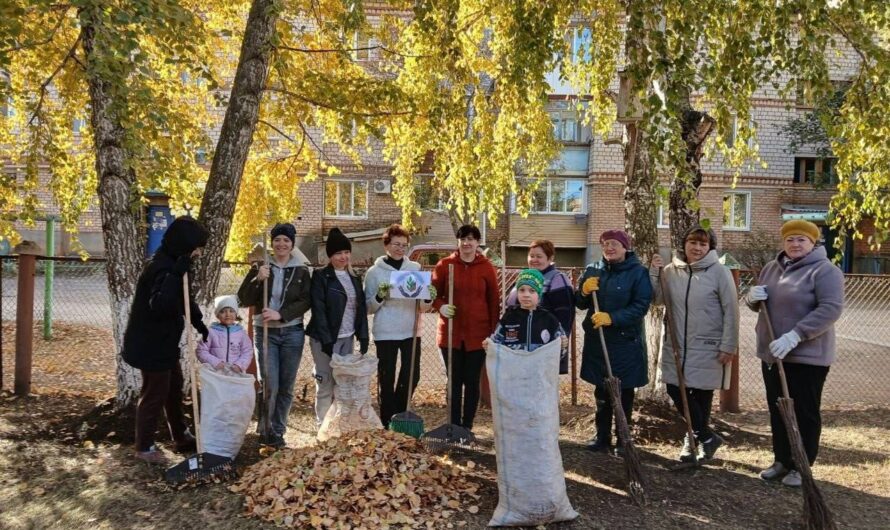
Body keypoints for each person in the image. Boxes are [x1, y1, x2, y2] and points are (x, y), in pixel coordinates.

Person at [745, 219, 843, 487]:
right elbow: (761, 304)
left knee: (804, 412)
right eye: (790, 239)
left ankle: (802, 464)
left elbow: (830, 309)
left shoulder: (825, 271)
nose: (795, 244)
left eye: (802, 239)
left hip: (807, 356)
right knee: (778, 408)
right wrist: (751, 299)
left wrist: (796, 335)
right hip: (772, 354)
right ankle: (782, 460)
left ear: (813, 243)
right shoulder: (770, 268)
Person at [122, 215, 209, 464]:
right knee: (154, 393)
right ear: (184, 245)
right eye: (197, 248)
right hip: (150, 344)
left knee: (174, 387)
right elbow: (160, 304)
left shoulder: (176, 263)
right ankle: (144, 446)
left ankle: (180, 435)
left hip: (165, 342)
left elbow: (183, 298)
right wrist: (175, 273)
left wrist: (198, 321)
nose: (199, 253)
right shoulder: (161, 267)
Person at [650, 225, 738, 462]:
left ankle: (693, 440)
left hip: (708, 342)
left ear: (710, 248)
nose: (697, 248)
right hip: (677, 343)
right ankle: (706, 437)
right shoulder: (671, 271)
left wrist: (729, 345)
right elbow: (657, 300)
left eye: (703, 244)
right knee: (674, 387)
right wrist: (654, 272)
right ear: (684, 244)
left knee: (701, 393)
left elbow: (731, 310)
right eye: (693, 242)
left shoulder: (719, 272)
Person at [576, 229, 652, 454]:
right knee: (601, 393)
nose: (609, 248)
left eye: (614, 244)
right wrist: (583, 290)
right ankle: (602, 437)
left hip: (625, 343)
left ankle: (623, 439)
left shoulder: (638, 273)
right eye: (605, 244)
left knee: (623, 393)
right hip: (598, 343)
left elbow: (641, 306)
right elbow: (579, 304)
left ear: (625, 247)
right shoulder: (593, 270)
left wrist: (612, 318)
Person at [237, 222, 311, 448]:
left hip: (292, 332)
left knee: (286, 387)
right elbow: (243, 299)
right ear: (272, 243)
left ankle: (278, 432)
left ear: (292, 244)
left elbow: (306, 300)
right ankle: (265, 430)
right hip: (266, 333)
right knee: (269, 384)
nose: (281, 244)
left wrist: (281, 314)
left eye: (286, 240)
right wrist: (257, 279)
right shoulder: (261, 265)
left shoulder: (300, 269)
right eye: (277, 240)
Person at [364, 224, 435, 428]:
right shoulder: (374, 272)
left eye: (404, 245)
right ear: (386, 244)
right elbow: (368, 307)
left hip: (411, 331)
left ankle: (399, 413)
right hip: (386, 332)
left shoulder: (414, 269)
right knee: (386, 377)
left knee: (412, 374)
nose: (400, 249)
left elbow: (422, 306)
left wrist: (428, 298)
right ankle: (388, 420)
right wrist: (380, 296)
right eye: (396, 244)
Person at [431, 224, 500, 432]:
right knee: (453, 381)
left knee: (471, 382)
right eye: (463, 239)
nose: (467, 243)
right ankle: (452, 425)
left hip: (478, 336)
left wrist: (493, 333)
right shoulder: (445, 265)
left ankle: (466, 426)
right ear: (458, 242)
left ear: (477, 242)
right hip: (450, 335)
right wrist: (441, 306)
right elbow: (433, 294)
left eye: (471, 239)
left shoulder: (486, 268)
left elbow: (493, 301)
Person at [307, 227, 369, 425]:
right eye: (338, 253)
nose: (343, 257)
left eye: (346, 252)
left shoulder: (354, 278)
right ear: (330, 255)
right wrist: (326, 340)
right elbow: (319, 309)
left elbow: (360, 308)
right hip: (325, 340)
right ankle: (323, 426)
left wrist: (364, 335)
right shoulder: (321, 277)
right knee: (325, 383)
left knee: (343, 385)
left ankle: (338, 425)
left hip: (347, 338)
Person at [505, 240, 575, 374]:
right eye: (531, 256)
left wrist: (559, 343)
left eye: (539, 256)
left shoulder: (557, 279)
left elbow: (565, 315)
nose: (534, 260)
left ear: (550, 258)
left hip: (543, 345)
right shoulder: (524, 277)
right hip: (519, 343)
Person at [484, 268, 568, 354]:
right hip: (514, 367)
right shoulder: (509, 317)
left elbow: (558, 354)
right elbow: (497, 344)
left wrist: (562, 346)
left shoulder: (549, 319)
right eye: (522, 290)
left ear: (539, 295)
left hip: (539, 367)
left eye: (532, 291)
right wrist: (489, 346)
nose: (526, 295)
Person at [196, 295, 254, 373]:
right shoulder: (210, 332)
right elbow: (201, 351)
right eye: (223, 311)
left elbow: (247, 351)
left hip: (235, 373)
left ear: (236, 314)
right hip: (215, 373)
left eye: (231, 311)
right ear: (217, 315)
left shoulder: (241, 334)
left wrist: (240, 365)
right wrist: (215, 362)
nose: (227, 314)